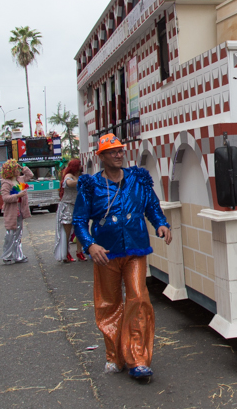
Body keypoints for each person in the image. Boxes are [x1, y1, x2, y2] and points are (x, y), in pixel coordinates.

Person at [74, 133, 171, 382]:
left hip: (135, 250)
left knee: (138, 298)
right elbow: (79, 221)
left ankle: (138, 359)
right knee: (108, 304)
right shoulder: (90, 186)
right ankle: (114, 355)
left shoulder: (138, 179)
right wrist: (90, 245)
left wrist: (161, 224)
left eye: (120, 151)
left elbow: (152, 205)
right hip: (106, 254)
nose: (118, 155)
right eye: (112, 152)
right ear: (102, 156)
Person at [0, 160, 33, 264]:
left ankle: (18, 255)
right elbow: (5, 198)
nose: (18, 171)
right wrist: (17, 196)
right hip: (12, 211)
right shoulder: (6, 183)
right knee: (11, 233)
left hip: (20, 210)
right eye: (15, 169)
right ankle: (7, 256)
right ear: (11, 171)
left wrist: (23, 167)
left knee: (18, 233)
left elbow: (30, 174)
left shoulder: (20, 179)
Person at [55, 159, 86, 263]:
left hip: (78, 207)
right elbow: (68, 183)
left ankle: (79, 251)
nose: (82, 166)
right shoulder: (69, 175)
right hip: (67, 206)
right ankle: (65, 252)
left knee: (79, 230)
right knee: (67, 232)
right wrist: (81, 181)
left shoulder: (80, 176)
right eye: (80, 164)